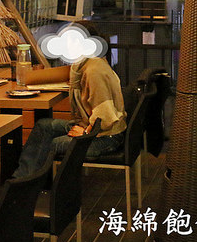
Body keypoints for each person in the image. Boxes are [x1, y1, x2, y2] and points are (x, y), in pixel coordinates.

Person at [12, 21, 126, 178]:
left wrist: (86, 132)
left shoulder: (94, 71)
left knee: (54, 143)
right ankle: (23, 179)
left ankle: (35, 183)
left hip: (106, 137)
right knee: (43, 126)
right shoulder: (85, 64)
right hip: (94, 128)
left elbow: (105, 118)